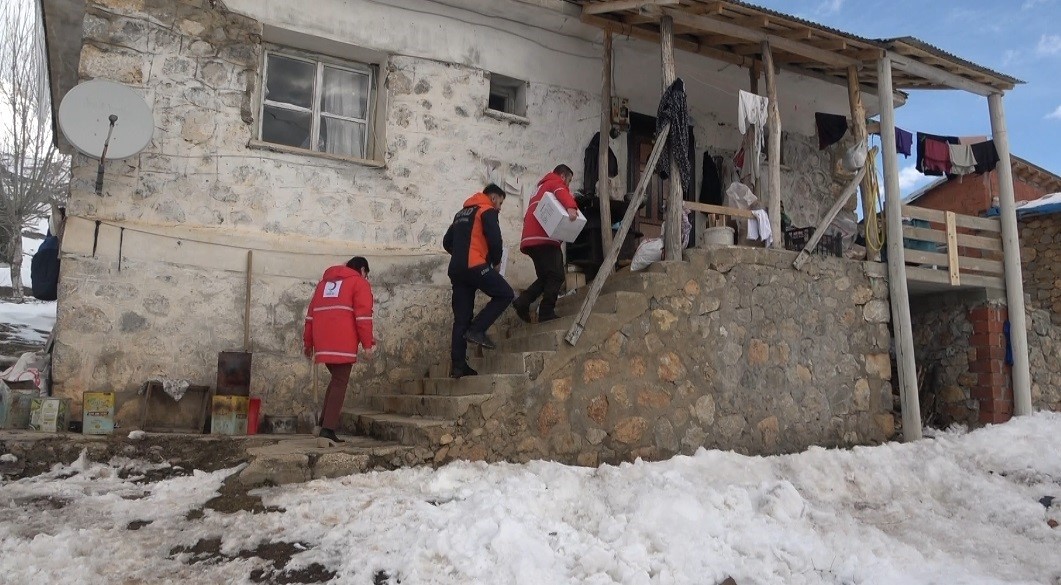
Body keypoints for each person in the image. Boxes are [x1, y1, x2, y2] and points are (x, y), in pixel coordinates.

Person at [443, 184, 514, 379]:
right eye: (500, 202)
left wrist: (459, 255)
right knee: (505, 294)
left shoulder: (461, 213)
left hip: (456, 270)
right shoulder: (486, 210)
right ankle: (477, 329)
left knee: (461, 318)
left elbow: (446, 241)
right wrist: (495, 261)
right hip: (475, 265)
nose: (499, 207)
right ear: (492, 197)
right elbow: (495, 239)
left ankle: (458, 366)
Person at [302, 256, 375, 443]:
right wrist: (368, 345)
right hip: (343, 341)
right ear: (362, 270)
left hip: (323, 342)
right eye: (366, 274)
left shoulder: (323, 285)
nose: (366, 278)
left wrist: (308, 343)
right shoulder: (358, 283)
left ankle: (322, 425)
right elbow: (363, 317)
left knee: (336, 380)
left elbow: (310, 316)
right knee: (340, 382)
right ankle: (328, 430)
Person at [513, 164, 580, 323]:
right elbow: (561, 191)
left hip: (530, 240)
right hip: (544, 239)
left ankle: (523, 302)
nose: (567, 185)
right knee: (557, 276)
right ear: (562, 176)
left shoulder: (540, 187)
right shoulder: (554, 182)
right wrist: (571, 206)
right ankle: (546, 312)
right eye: (568, 181)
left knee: (546, 277)